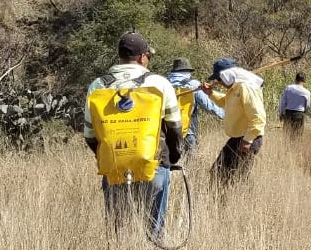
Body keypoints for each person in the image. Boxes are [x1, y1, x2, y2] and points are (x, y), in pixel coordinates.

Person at [84, 32, 182, 239]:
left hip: (114, 167)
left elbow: (90, 135)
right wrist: (173, 157)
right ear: (142, 57)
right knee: (154, 227)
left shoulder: (97, 86)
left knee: (118, 228)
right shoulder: (159, 83)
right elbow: (174, 127)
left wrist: (108, 157)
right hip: (154, 164)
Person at [202, 57, 267, 186]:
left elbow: (258, 117)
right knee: (218, 173)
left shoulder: (246, 88)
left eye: (219, 78)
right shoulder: (234, 89)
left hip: (247, 139)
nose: (218, 82)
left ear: (227, 75)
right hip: (237, 138)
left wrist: (248, 140)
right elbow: (225, 102)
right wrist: (210, 93)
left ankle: (243, 202)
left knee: (237, 178)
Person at [166, 57, 223, 153]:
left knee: (168, 164)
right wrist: (226, 115)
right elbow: (210, 106)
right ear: (188, 71)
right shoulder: (193, 85)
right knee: (190, 164)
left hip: (165, 132)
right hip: (188, 131)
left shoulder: (163, 84)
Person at [279, 71, 311, 136]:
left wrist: (281, 113)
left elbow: (283, 102)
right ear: (304, 81)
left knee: (286, 134)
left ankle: (286, 146)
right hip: (299, 114)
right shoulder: (307, 92)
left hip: (288, 113)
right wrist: (304, 113)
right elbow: (307, 105)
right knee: (297, 135)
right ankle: (295, 146)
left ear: (295, 79)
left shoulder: (288, 88)